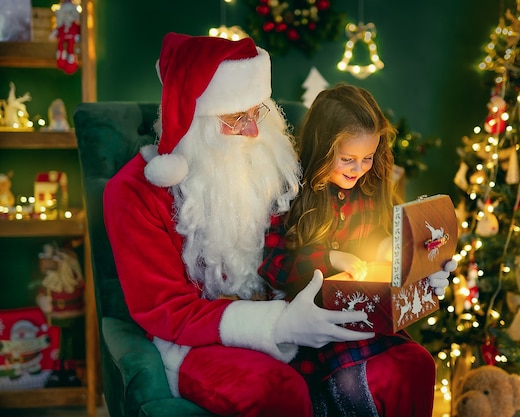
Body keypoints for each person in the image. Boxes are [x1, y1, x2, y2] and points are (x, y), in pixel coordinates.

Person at [103, 33, 374, 417]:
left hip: (289, 310)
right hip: (195, 342)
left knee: (402, 365)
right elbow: (167, 311)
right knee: (276, 390)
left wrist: (405, 271)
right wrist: (280, 325)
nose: (253, 131)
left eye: (258, 111)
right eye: (235, 118)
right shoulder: (132, 193)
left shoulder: (271, 164)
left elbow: (310, 242)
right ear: (193, 121)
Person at [259, 84, 456, 417]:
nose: (358, 168)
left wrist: (399, 250)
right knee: (361, 381)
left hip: (368, 316)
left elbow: (380, 236)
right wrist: (329, 259)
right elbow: (275, 266)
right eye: (348, 159)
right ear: (322, 149)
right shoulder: (289, 188)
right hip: (315, 324)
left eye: (368, 157)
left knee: (417, 362)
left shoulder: (370, 184)